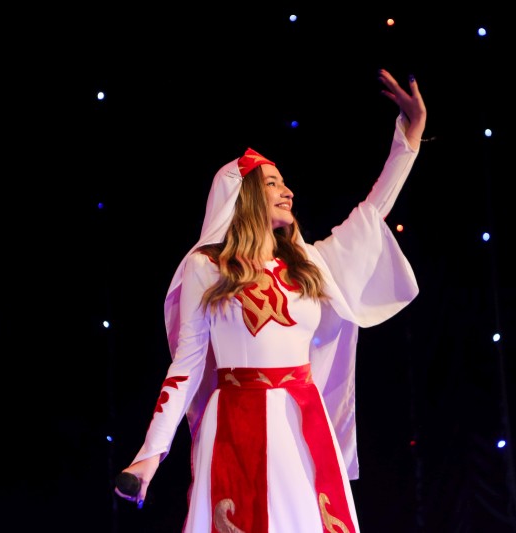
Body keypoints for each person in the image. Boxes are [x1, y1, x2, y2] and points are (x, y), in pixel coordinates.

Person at [115, 68, 427, 533]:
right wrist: (150, 456)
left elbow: (373, 211)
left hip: (302, 424)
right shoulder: (207, 267)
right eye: (273, 184)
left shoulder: (310, 264)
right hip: (235, 422)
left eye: (285, 183)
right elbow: (186, 366)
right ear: (243, 197)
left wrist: (410, 138)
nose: (288, 191)